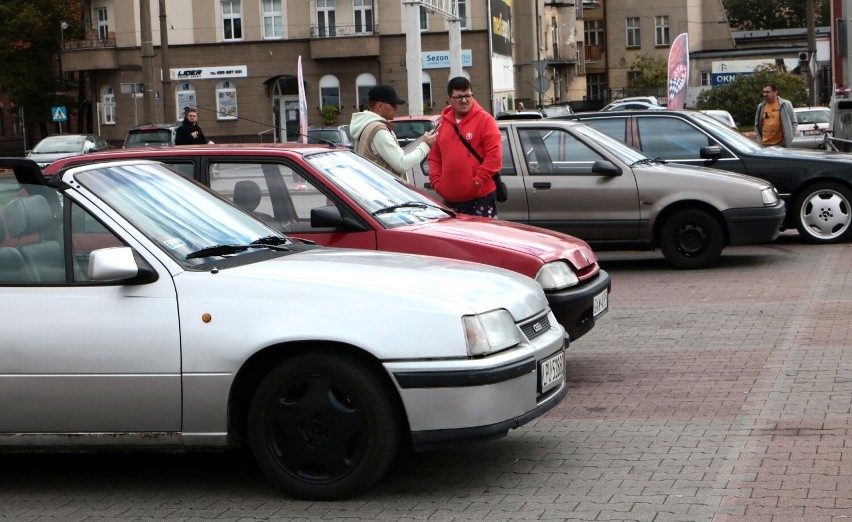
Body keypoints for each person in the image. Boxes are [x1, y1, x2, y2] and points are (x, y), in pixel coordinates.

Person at [428, 76, 502, 218]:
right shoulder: (442, 124)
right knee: (455, 240)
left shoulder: (485, 120)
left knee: (481, 239)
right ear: (449, 99)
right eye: (459, 97)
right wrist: (437, 182)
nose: (464, 100)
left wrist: (478, 180)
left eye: (468, 96)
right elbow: (434, 157)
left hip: (481, 197)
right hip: (451, 200)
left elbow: (494, 156)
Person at [349, 85, 436, 180]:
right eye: (393, 104)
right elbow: (402, 164)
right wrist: (426, 145)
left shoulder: (366, 125)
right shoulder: (378, 130)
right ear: (380, 106)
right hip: (383, 190)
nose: (396, 108)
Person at [754, 83, 797, 147]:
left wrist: (789, 137)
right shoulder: (761, 106)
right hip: (764, 145)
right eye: (764, 92)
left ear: (775, 92)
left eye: (768, 92)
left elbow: (794, 122)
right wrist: (759, 140)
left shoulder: (785, 104)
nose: (765, 94)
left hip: (780, 144)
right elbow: (756, 125)